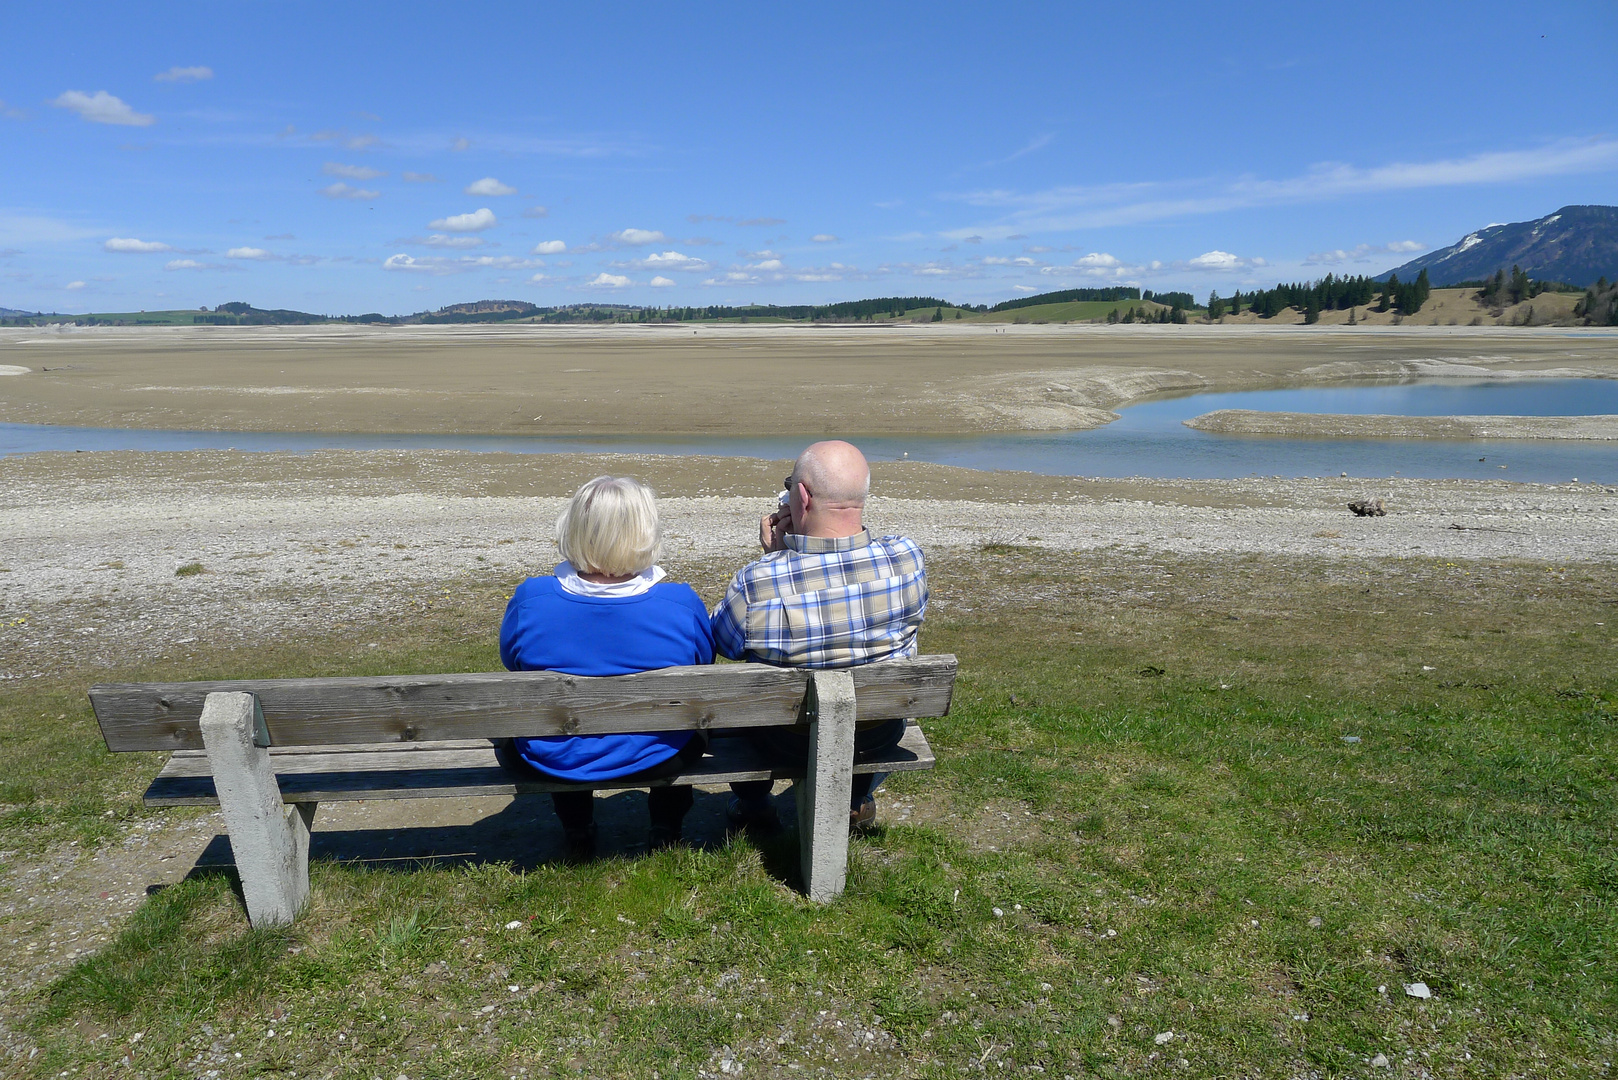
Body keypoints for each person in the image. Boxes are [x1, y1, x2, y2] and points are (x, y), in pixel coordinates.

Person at [712, 440, 927, 832]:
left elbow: (725, 642)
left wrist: (772, 557)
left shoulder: (758, 581)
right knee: (864, 711)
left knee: (738, 713)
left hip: (783, 738)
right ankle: (856, 797)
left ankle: (754, 803)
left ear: (803, 495)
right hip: (877, 732)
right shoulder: (906, 559)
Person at [497, 475, 715, 859]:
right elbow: (703, 663)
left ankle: (577, 828)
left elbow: (512, 661)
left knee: (556, 726)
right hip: (660, 753)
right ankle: (666, 827)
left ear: (574, 528)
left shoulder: (531, 599)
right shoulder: (679, 603)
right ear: (645, 531)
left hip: (553, 756)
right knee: (683, 720)